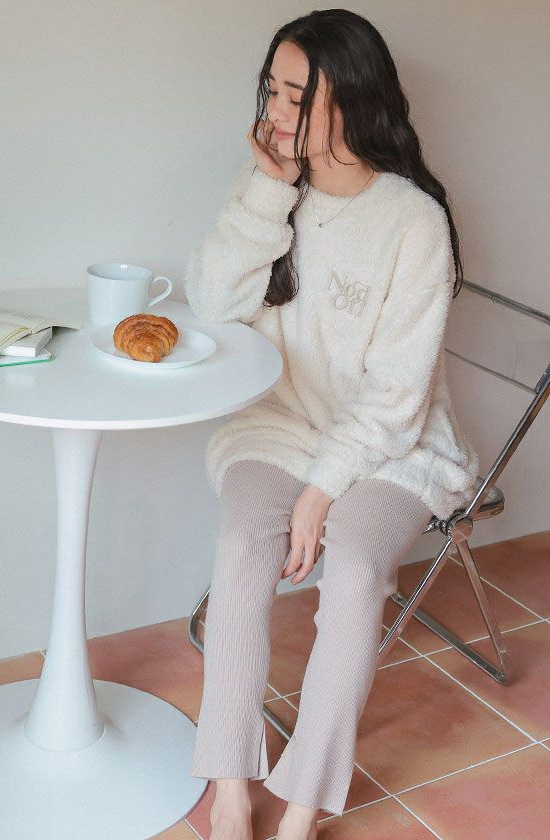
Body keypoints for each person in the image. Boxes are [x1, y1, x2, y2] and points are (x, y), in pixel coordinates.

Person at [183, 9, 480, 840]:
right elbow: (214, 306)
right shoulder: (276, 188)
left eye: (297, 96)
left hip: (394, 446)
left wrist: (323, 491)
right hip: (280, 425)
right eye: (271, 91)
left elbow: (396, 393)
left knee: (351, 569)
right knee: (242, 544)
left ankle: (304, 808)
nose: (276, 113)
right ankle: (230, 786)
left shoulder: (412, 221)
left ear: (350, 99)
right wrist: (267, 189)